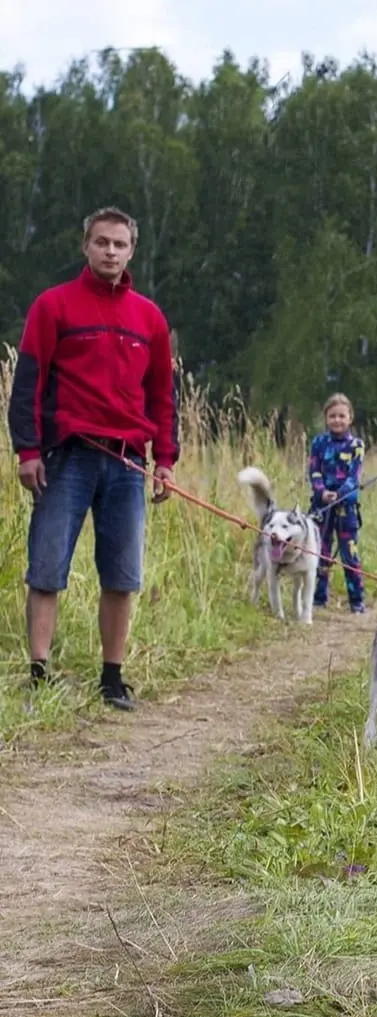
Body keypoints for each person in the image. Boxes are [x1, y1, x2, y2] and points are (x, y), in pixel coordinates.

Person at [7, 205, 178, 710]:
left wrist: (165, 460)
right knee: (46, 566)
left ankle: (111, 677)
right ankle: (38, 673)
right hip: (66, 458)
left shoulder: (150, 318)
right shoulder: (53, 306)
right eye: (101, 242)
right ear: (85, 246)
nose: (110, 251)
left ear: (132, 251)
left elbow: (162, 396)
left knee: (122, 574)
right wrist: (27, 450)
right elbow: (28, 384)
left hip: (128, 462)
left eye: (119, 244)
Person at [309, 392, 366, 613]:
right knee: (320, 552)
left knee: (349, 555)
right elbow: (314, 471)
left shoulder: (356, 445)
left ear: (350, 418)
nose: (337, 420)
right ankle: (319, 598)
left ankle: (356, 601)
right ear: (326, 418)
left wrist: (340, 493)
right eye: (332, 416)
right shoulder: (318, 443)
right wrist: (322, 492)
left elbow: (354, 476)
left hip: (346, 508)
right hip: (321, 507)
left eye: (342, 415)